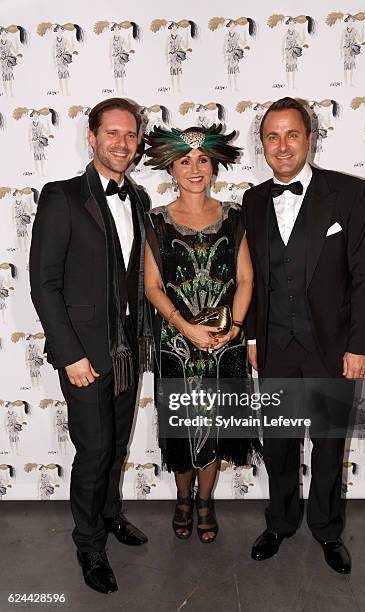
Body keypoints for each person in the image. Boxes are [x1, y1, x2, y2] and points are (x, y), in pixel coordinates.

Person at [242, 97, 365, 574]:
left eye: (292, 134)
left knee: (327, 444)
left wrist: (361, 345)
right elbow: (254, 279)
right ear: (263, 144)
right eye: (272, 137)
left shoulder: (348, 193)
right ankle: (280, 522)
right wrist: (253, 340)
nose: (282, 146)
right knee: (277, 442)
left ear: (310, 137)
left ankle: (326, 529)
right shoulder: (253, 199)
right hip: (275, 345)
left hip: (333, 347)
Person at [29, 97, 151, 594]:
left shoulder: (139, 200)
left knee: (117, 444)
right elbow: (44, 284)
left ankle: (111, 515)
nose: (122, 144)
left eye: (130, 135)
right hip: (83, 352)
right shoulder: (61, 196)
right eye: (113, 134)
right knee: (94, 448)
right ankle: (88, 542)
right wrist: (70, 354)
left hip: (127, 349)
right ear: (92, 136)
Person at [143, 124, 261, 543]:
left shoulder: (234, 216)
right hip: (177, 344)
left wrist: (235, 328)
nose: (194, 168)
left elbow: (246, 280)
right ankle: (182, 499)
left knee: (214, 426)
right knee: (179, 427)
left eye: (203, 160)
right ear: (171, 168)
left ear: (214, 166)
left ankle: (206, 500)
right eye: (185, 161)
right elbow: (152, 288)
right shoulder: (156, 220)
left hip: (223, 344)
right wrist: (186, 328)